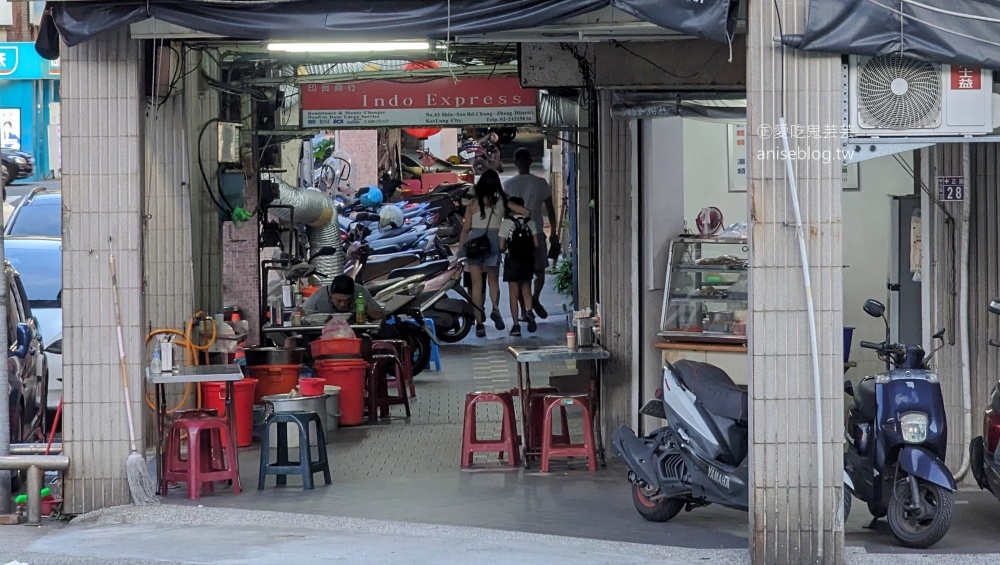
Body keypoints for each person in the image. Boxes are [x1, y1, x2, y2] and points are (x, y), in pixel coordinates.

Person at [458, 169, 530, 338]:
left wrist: (461, 250)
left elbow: (466, 228)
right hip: (494, 241)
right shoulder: (501, 202)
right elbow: (526, 212)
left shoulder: (473, 204)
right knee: (492, 280)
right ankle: (495, 309)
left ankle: (479, 324)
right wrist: (515, 223)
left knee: (476, 285)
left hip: (475, 242)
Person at [503, 147, 557, 320]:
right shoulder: (540, 183)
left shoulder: (509, 185)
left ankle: (525, 311)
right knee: (539, 272)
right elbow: (550, 209)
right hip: (537, 233)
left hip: (515, 237)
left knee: (520, 277)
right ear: (530, 162)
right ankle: (534, 300)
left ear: (516, 163)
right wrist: (554, 231)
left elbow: (505, 212)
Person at [498, 196, 539, 337]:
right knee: (526, 288)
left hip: (512, 261)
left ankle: (516, 326)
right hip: (527, 260)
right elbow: (536, 244)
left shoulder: (506, 224)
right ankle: (529, 311)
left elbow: (501, 246)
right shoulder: (530, 222)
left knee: (513, 294)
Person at [302, 274, 385, 323]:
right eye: (338, 300)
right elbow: (302, 314)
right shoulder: (319, 296)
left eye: (348, 300)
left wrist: (365, 307)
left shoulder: (360, 293)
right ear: (330, 294)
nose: (343, 304)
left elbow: (381, 316)